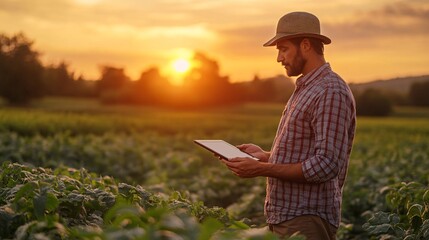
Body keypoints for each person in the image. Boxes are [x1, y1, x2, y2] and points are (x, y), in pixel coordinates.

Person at [221, 12, 356, 240]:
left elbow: (326, 164)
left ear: (305, 45)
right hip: (288, 217)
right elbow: (305, 153)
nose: (279, 58)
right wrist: (264, 156)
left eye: (283, 49)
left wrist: (262, 169)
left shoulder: (330, 91)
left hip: (306, 218)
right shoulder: (307, 87)